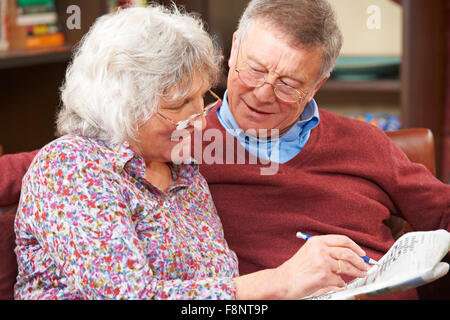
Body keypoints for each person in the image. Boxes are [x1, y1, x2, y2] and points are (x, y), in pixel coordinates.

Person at [9, 4, 369, 300]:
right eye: (181, 104)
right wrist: (280, 282)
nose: (200, 121)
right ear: (124, 105)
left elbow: (220, 292)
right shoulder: (72, 168)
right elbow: (130, 297)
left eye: (202, 98)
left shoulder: (184, 170)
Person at [194, 0, 450, 299]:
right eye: (255, 70)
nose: (263, 94)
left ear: (317, 85)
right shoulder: (184, 148)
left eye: (288, 85)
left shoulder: (365, 142)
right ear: (234, 47)